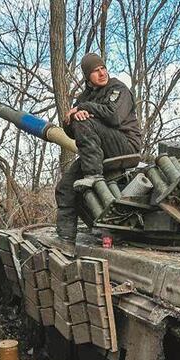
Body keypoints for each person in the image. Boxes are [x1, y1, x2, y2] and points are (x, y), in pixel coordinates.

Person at [54, 53, 142, 242]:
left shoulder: (118, 88)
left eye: (103, 68)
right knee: (65, 186)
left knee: (84, 122)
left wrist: (85, 109)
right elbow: (74, 132)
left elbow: (114, 116)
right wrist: (70, 119)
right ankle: (65, 239)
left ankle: (93, 175)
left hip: (126, 145)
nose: (102, 73)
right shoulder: (85, 96)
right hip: (98, 152)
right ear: (87, 76)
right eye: (95, 71)